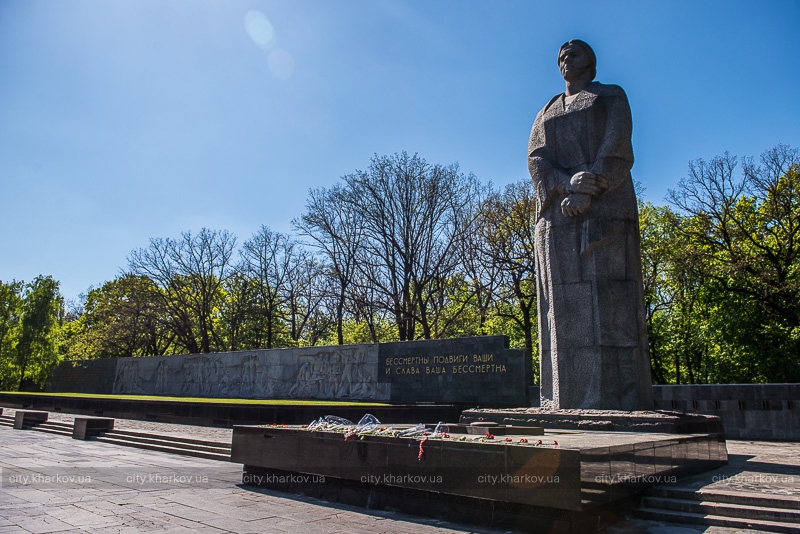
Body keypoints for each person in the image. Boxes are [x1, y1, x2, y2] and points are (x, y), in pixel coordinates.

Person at [528, 40, 652, 410]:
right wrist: (567, 185)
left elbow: (617, 147)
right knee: (559, 310)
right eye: (562, 56)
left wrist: (590, 187)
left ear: (591, 62)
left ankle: (619, 402)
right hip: (555, 217)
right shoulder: (547, 110)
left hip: (607, 209)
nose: (567, 59)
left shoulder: (609, 96)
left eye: (575, 54)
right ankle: (560, 401)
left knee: (609, 305)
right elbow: (537, 159)